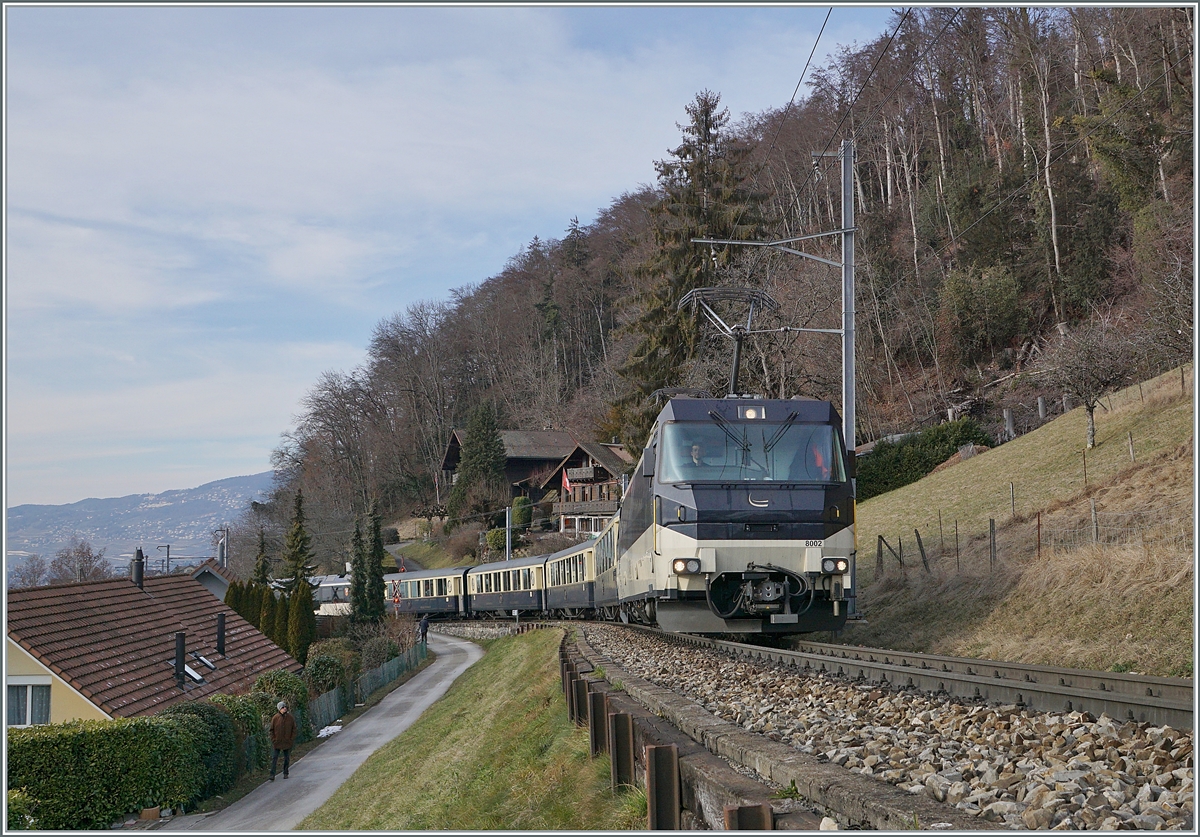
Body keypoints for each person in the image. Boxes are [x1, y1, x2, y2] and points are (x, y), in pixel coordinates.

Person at [269, 700, 298, 781]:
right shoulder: (275, 718)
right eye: (282, 707)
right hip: (277, 742)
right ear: (279, 709)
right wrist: (273, 739)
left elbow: (294, 729)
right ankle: (272, 774)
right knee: (275, 758)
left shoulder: (290, 718)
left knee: (286, 758)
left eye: (285, 707)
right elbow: (271, 730)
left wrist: (291, 739)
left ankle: (285, 773)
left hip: (287, 742)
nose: (284, 708)